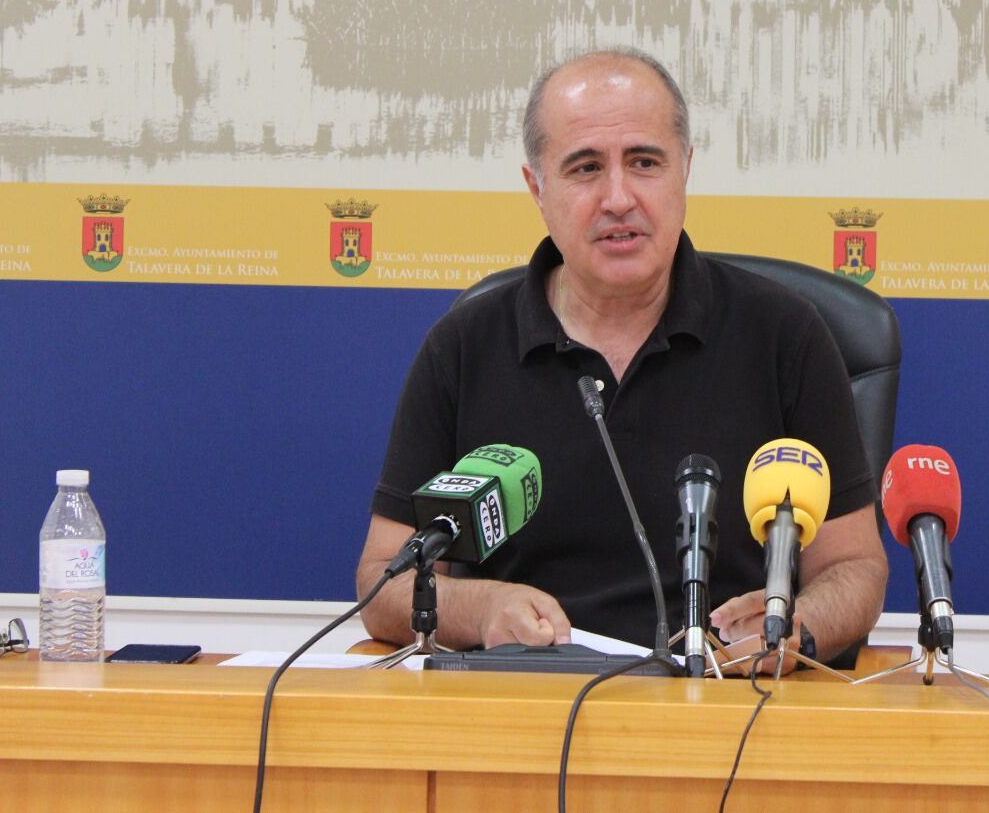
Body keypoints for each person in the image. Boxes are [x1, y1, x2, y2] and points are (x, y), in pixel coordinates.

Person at [356, 48, 888, 662]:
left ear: (684, 169)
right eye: (585, 168)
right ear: (537, 186)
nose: (618, 197)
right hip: (524, 714)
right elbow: (382, 582)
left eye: (644, 162)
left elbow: (855, 566)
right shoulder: (464, 347)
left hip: (730, 713)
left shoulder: (784, 335)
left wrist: (795, 627)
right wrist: (481, 610)